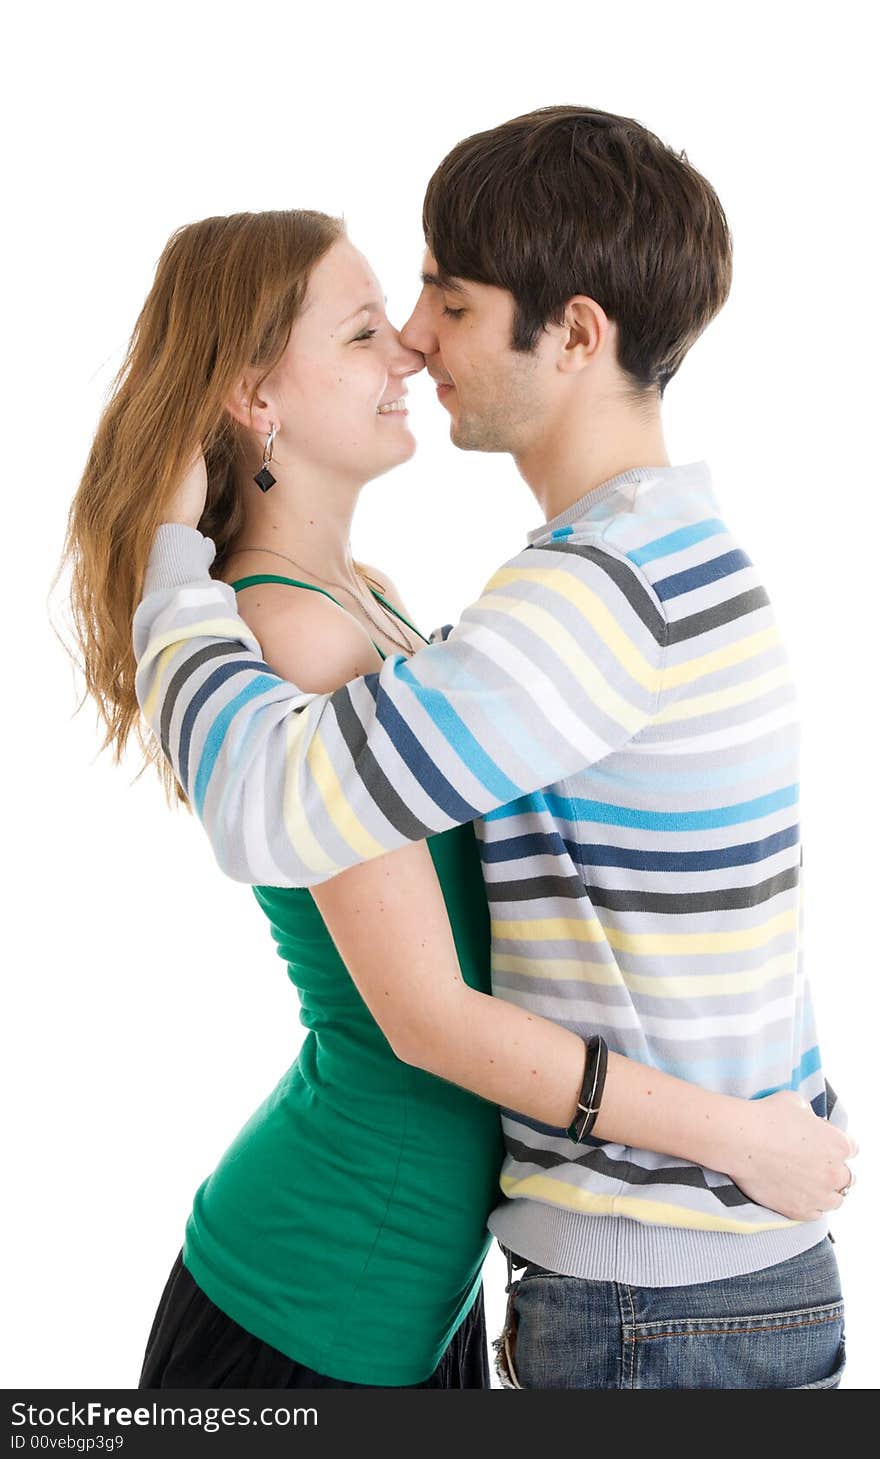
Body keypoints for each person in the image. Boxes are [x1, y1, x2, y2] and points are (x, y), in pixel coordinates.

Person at [128, 108, 856, 1390]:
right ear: (255, 400)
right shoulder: (586, 585)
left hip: (617, 1285)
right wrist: (173, 571)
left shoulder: (553, 602)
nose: (413, 339)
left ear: (575, 334)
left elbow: (276, 795)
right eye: (371, 324)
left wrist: (763, 1134)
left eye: (441, 301)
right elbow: (410, 993)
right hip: (359, 1277)